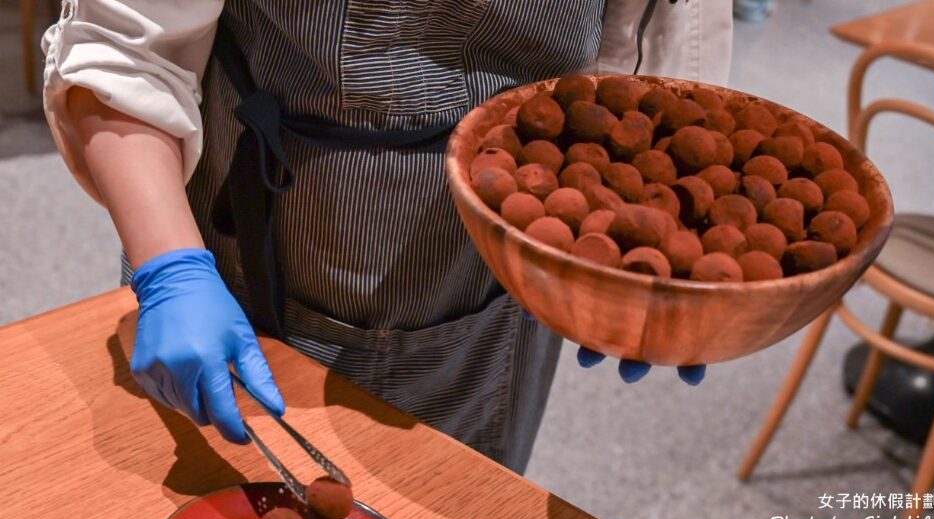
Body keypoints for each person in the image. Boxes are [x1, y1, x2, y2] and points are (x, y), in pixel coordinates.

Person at [42, 0, 732, 474]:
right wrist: (172, 270)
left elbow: (645, 31)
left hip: (504, 273)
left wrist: (630, 208)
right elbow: (124, 45)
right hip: (255, 246)